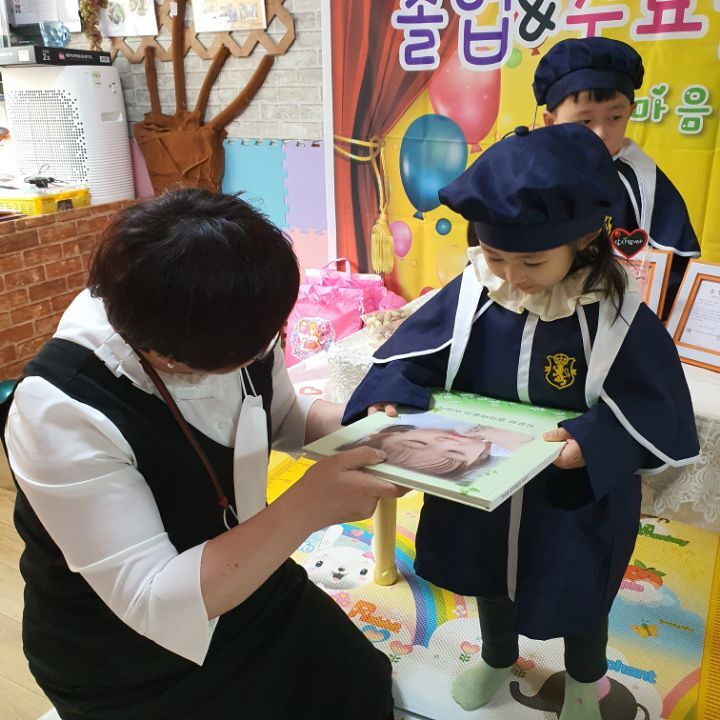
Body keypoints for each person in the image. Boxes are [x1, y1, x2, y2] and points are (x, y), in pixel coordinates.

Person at [2, 189, 405, 720]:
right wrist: (309, 506)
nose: (266, 351)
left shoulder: (234, 318)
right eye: (247, 352)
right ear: (166, 356)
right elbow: (151, 599)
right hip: (124, 653)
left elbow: (280, 415)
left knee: (361, 684)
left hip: (249, 574)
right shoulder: (60, 408)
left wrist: (369, 429)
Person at [343, 124, 699, 720]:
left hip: (570, 496)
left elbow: (654, 405)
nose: (512, 276)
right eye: (496, 256)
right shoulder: (476, 293)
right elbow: (410, 355)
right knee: (488, 577)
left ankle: (586, 679)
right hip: (482, 482)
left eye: (532, 260)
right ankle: (497, 656)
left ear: (583, 239)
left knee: (578, 589)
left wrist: (591, 441)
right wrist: (391, 394)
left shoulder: (613, 315)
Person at [533, 36, 701, 317]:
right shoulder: (531, 170)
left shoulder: (642, 181)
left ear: (630, 112)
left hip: (615, 312)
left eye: (614, 117)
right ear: (551, 121)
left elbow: (674, 266)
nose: (600, 132)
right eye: (585, 121)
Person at [338, 422, 533, 479]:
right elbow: (527, 442)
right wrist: (484, 431)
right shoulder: (500, 450)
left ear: (399, 431)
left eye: (420, 443)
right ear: (474, 463)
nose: (448, 442)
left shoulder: (436, 418)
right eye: (456, 454)